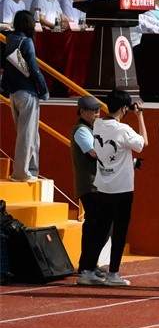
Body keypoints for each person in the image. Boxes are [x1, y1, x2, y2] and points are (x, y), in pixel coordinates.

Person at [77, 90, 146, 287]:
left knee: (100, 229)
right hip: (122, 188)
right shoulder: (123, 129)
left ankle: (88, 269)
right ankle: (113, 273)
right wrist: (140, 116)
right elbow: (143, 143)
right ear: (125, 108)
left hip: (102, 186)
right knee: (119, 232)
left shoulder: (98, 125)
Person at [1, 11, 48, 182]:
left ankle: (31, 170)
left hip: (14, 93)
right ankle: (21, 172)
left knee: (29, 133)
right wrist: (44, 89)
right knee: (28, 134)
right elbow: (34, 69)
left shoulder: (10, 40)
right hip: (28, 93)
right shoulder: (26, 41)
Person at [69, 96, 103, 280]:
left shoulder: (90, 128)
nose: (97, 113)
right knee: (95, 225)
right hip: (89, 185)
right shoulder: (81, 131)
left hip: (95, 184)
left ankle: (90, 265)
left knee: (100, 225)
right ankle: (86, 267)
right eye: (93, 110)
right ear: (82, 111)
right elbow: (93, 153)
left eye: (98, 109)